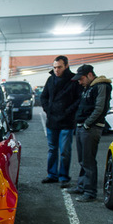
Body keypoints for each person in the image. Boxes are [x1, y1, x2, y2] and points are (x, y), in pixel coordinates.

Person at [67, 64, 112, 202]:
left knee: (88, 161)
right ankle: (82, 186)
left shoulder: (101, 86)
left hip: (91, 129)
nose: (80, 82)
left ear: (90, 75)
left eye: (81, 79)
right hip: (83, 127)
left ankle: (90, 192)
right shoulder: (89, 87)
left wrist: (87, 124)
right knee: (83, 160)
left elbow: (100, 109)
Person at [40, 55, 82, 187]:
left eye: (59, 67)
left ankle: (64, 176)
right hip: (52, 120)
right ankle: (52, 175)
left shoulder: (74, 81)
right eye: (54, 67)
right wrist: (48, 110)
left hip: (67, 122)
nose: (56, 70)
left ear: (66, 66)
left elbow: (78, 100)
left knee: (65, 151)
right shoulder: (50, 79)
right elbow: (43, 97)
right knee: (52, 149)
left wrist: (67, 112)